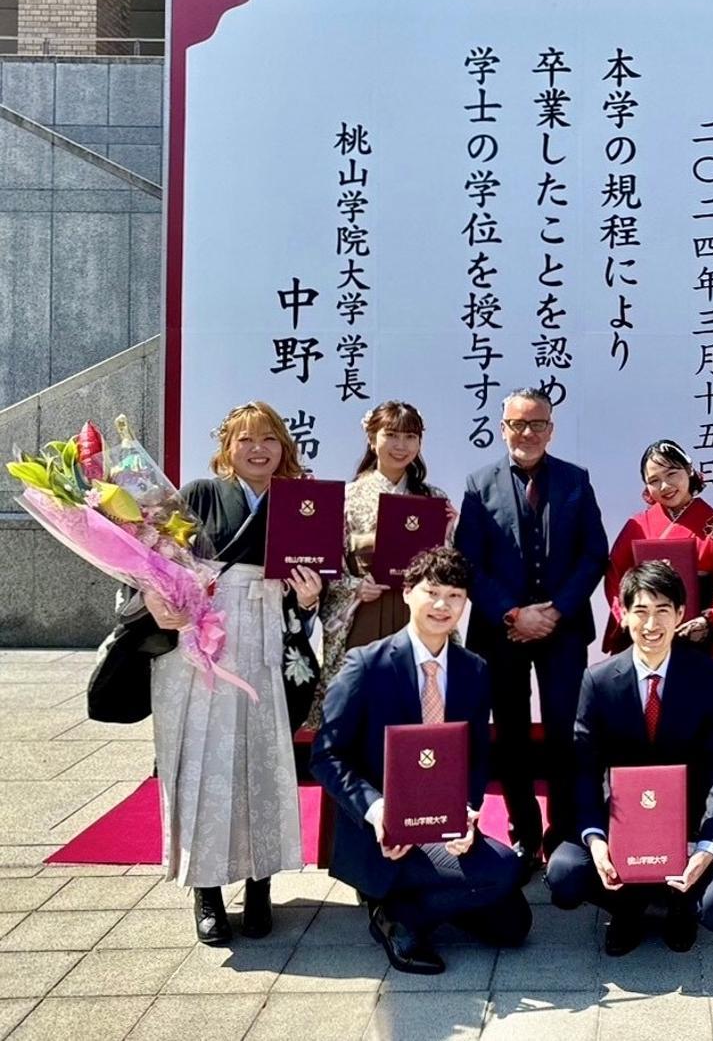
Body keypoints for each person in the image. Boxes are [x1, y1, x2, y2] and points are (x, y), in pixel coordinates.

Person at [142, 401, 322, 944]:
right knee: (207, 765)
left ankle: (261, 886)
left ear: (283, 446)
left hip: (269, 640)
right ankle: (208, 893)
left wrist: (310, 600)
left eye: (269, 437)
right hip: (206, 644)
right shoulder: (197, 494)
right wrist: (156, 600)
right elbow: (154, 561)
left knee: (263, 765)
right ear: (227, 447)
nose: (258, 448)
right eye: (245, 440)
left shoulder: (298, 501)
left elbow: (312, 584)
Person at [310, 546, 532, 975]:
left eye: (454, 595)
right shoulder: (365, 665)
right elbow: (326, 755)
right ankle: (396, 913)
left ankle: (402, 908)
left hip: (444, 826)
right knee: (503, 872)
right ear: (408, 592)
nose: (442, 605)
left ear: (466, 604)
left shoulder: (473, 669)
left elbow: (476, 753)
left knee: (514, 925)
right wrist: (378, 811)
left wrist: (468, 813)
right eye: (432, 592)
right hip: (381, 831)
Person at [546, 561, 713, 955]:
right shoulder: (599, 681)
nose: (651, 625)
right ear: (622, 613)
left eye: (662, 611)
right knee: (565, 874)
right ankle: (626, 908)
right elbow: (584, 767)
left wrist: (705, 848)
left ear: (681, 614)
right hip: (620, 823)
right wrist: (597, 840)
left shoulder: (708, 677)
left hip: (686, 825)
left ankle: (680, 905)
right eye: (641, 611)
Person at [453, 387, 608, 872]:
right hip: (502, 633)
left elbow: (593, 555)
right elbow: (469, 563)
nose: (527, 433)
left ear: (551, 428)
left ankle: (565, 833)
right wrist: (514, 614)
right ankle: (524, 835)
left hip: (562, 631)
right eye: (518, 424)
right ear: (503, 428)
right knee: (513, 735)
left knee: (566, 733)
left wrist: (555, 610)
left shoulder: (576, 481)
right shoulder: (480, 484)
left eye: (537, 424)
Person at [310, 401, 453, 728]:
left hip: (418, 614)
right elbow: (327, 564)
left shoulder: (433, 498)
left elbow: (450, 568)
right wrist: (354, 586)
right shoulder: (347, 498)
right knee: (361, 704)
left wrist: (447, 531)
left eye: (410, 436)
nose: (401, 446)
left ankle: (413, 776)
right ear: (372, 438)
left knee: (417, 701)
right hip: (364, 611)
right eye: (391, 435)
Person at [603, 439, 713, 669]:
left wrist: (709, 620)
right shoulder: (637, 526)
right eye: (654, 480)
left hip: (701, 638)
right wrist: (625, 615)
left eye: (671, 474)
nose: (664, 486)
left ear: (689, 470)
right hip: (648, 634)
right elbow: (615, 576)